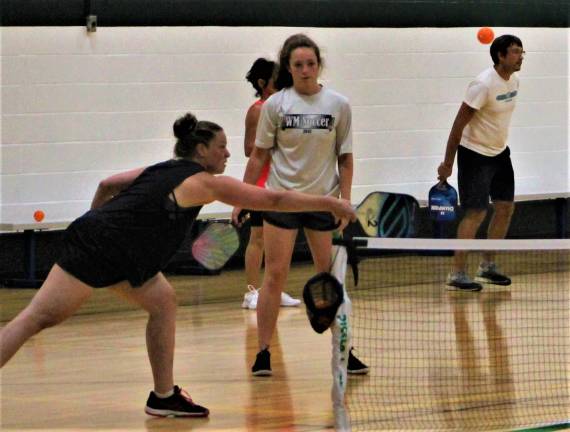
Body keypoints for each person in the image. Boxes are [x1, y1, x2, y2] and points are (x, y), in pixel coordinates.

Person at [0, 112, 356, 417]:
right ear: (202, 151)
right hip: (105, 249)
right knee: (36, 318)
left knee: (163, 302)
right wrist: (330, 203)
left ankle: (163, 396)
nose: (228, 152)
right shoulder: (204, 183)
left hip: (116, 250)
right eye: (221, 146)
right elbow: (274, 198)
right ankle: (163, 394)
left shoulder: (164, 168)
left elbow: (108, 184)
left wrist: (96, 222)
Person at [232, 34, 368, 376]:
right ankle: (263, 352)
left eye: (311, 64)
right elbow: (259, 156)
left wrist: (344, 201)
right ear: (288, 68)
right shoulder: (276, 106)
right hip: (282, 200)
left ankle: (344, 350)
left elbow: (346, 159)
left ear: (318, 65)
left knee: (328, 278)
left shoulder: (338, 105)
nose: (305, 70)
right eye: (298, 65)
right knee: (275, 275)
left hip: (323, 201)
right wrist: (243, 196)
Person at [437, 34, 524, 291]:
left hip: (500, 153)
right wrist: (447, 163)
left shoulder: (515, 81)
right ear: (500, 56)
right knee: (476, 212)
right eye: (516, 52)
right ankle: (457, 273)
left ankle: (487, 267)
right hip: (474, 155)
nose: (521, 57)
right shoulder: (483, 85)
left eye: (522, 52)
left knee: (506, 207)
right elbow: (458, 124)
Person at [240, 57, 300, 310]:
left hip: (282, 182)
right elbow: (248, 149)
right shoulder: (258, 109)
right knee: (258, 237)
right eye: (277, 78)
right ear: (264, 83)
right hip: (262, 184)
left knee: (279, 240)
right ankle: (251, 293)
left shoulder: (283, 107)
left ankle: (273, 289)